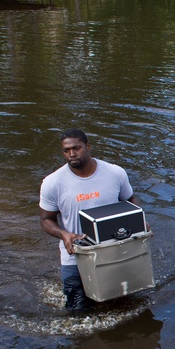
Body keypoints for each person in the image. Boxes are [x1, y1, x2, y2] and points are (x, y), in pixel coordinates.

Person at [39, 129, 139, 310]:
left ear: (88, 146)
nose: (71, 154)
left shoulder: (115, 173)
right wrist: (64, 234)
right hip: (75, 256)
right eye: (66, 150)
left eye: (76, 148)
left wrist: (139, 222)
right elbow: (46, 219)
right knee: (77, 310)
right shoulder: (52, 183)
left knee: (123, 303)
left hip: (113, 250)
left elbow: (130, 201)